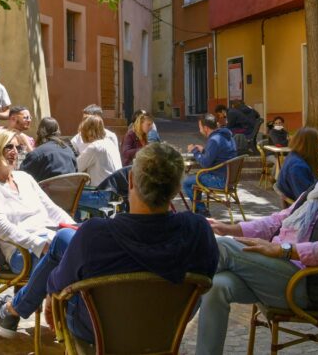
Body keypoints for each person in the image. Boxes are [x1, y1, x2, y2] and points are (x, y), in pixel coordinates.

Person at [195, 134, 318, 355]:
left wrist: (284, 250)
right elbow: (280, 219)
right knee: (217, 285)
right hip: (280, 271)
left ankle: (170, 302)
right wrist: (232, 228)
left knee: (223, 247)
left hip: (311, 284)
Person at [47, 143, 220, 345]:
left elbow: (58, 284)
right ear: (177, 188)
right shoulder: (198, 231)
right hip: (166, 331)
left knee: (62, 282)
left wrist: (51, 298)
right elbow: (207, 277)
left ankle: (15, 309)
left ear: (130, 180)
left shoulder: (94, 235)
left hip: (98, 332)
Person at [0, 129, 76, 338]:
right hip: (21, 252)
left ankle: (10, 310)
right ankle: (78, 325)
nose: (15, 152)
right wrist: (39, 244)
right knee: (69, 259)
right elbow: (2, 227)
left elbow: (52, 209)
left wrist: (74, 228)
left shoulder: (25, 177)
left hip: (50, 240)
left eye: (17, 147)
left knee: (74, 249)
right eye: (9, 147)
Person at [184, 113, 238, 216]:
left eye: (199, 127)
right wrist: (204, 150)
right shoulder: (226, 136)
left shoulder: (214, 140)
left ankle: (201, 210)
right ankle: (198, 209)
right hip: (230, 179)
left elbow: (205, 164)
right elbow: (221, 154)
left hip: (219, 180)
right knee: (196, 179)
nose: (199, 129)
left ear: (205, 128)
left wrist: (194, 150)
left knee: (187, 182)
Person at [20, 117, 78, 182]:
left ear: (39, 132)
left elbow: (22, 175)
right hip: (70, 191)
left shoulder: (38, 153)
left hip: (46, 191)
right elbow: (75, 171)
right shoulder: (68, 150)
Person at [276, 127, 318, 200]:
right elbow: (305, 197)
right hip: (305, 206)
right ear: (312, 145)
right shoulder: (297, 167)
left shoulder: (293, 156)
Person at [76, 115, 123, 184]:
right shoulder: (110, 143)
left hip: (102, 191)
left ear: (86, 132)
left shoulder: (95, 147)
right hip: (116, 188)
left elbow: (76, 167)